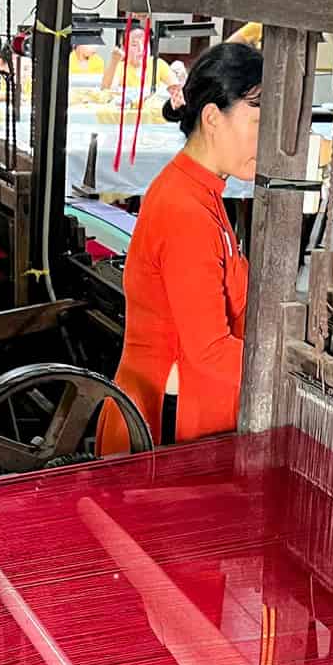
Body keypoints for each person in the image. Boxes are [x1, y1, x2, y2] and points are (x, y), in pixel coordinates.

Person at [99, 41, 261, 454]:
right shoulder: (185, 208)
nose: (268, 142)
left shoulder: (203, 193)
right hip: (166, 427)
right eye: (260, 123)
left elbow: (239, 300)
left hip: (182, 408)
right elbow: (208, 352)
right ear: (212, 118)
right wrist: (292, 371)